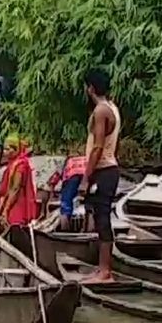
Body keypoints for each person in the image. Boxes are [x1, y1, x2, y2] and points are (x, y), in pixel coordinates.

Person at [78, 69, 122, 283]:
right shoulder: (112, 107)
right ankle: (101, 269)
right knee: (99, 217)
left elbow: (97, 147)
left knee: (103, 219)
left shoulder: (100, 112)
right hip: (108, 169)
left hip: (103, 170)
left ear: (91, 89)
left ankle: (105, 272)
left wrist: (86, 178)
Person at [0, 137, 38, 230]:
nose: (4, 152)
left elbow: (15, 188)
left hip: (17, 203)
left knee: (14, 225)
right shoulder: (13, 163)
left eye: (7, 149)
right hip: (12, 201)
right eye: (4, 149)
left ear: (15, 150)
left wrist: (6, 209)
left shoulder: (20, 165)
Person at [47, 151, 87, 231]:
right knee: (90, 206)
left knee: (65, 204)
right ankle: (88, 228)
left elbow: (53, 179)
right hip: (86, 179)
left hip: (72, 178)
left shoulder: (67, 162)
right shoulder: (84, 160)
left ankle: (64, 229)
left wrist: (52, 194)